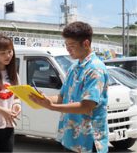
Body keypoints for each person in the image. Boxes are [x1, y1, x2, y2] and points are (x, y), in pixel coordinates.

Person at [29, 21, 109, 153]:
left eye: (71, 45)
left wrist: (52, 107)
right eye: (66, 45)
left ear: (86, 43)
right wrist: (43, 99)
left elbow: (86, 106)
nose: (68, 49)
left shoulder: (95, 69)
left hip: (88, 142)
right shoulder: (74, 67)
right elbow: (62, 96)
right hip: (71, 138)